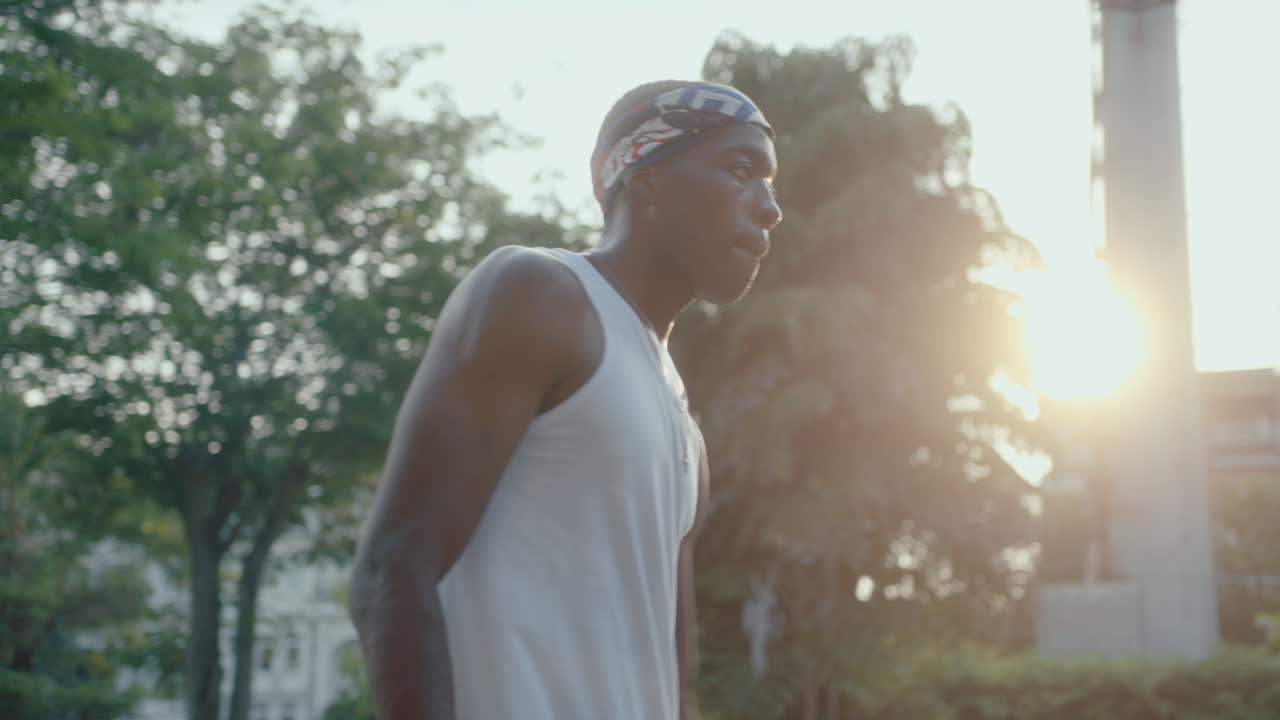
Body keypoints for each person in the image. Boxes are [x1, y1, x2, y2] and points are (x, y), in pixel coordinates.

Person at [348, 79, 783, 720]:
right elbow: (392, 568)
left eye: (772, 183)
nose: (770, 207)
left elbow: (672, 683)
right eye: (741, 169)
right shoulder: (539, 293)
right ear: (645, 176)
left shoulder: (684, 427)